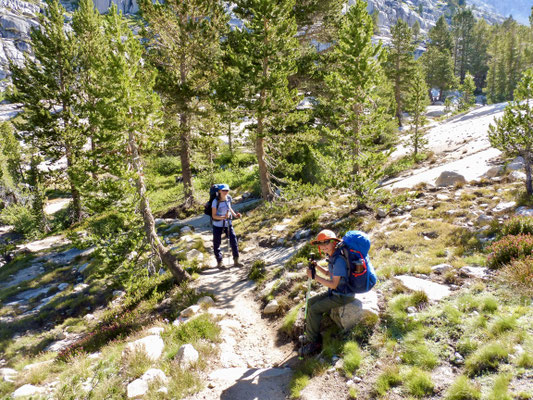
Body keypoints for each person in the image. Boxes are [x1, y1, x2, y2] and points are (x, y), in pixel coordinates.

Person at [302, 229, 357, 356]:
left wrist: (314, 276)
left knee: (314, 309)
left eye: (326, 243)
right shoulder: (334, 256)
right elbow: (329, 274)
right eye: (320, 244)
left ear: (333, 242)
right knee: (310, 302)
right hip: (336, 292)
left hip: (342, 295)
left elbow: (333, 284)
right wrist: (317, 266)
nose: (323, 246)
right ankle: (311, 333)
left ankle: (313, 342)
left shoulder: (338, 260)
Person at [211, 184, 242, 269]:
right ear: (219, 191)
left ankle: (236, 260)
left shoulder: (229, 198)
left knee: (233, 240)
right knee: (217, 243)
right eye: (224, 190)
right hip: (217, 225)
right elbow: (214, 216)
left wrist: (235, 215)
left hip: (228, 223)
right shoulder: (215, 201)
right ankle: (219, 262)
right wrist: (223, 217)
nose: (226, 192)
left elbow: (229, 208)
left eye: (227, 190)